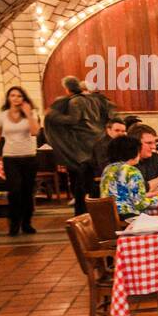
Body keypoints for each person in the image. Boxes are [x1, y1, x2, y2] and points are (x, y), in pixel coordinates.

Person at [44, 75, 110, 214]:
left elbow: (73, 119)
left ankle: (83, 212)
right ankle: (92, 210)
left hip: (84, 144)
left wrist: (53, 115)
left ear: (67, 89)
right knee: (89, 180)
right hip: (95, 141)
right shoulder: (92, 100)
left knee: (82, 182)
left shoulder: (75, 101)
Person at [0, 86, 40, 235]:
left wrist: (28, 113)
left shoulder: (31, 114)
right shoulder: (2, 116)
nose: (16, 98)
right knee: (14, 191)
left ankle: (27, 223)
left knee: (27, 192)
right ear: (8, 98)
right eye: (12, 95)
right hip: (10, 158)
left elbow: (35, 132)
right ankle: (14, 223)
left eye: (19, 96)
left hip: (29, 157)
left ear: (23, 98)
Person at [99, 134, 158, 219]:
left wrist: (152, 194)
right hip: (127, 217)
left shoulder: (108, 169)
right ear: (133, 152)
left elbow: (123, 196)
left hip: (107, 216)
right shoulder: (132, 171)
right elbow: (140, 204)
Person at [126, 123, 158, 191]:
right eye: (149, 143)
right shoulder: (126, 164)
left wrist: (153, 187)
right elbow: (138, 191)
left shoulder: (153, 156)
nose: (153, 147)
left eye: (154, 143)